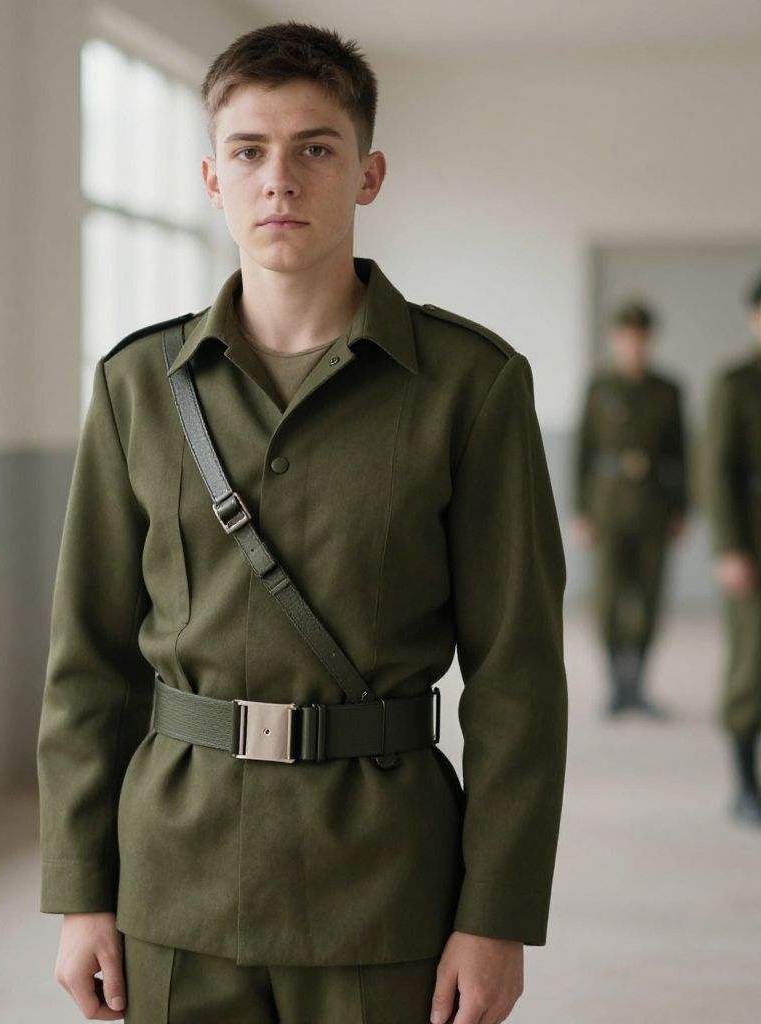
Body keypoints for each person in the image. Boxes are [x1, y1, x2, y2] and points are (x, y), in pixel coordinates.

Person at [37, 21, 568, 1024]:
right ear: (211, 177)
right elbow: (87, 662)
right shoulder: (136, 387)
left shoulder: (470, 386)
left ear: (366, 175)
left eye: (314, 148)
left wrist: (496, 913)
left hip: (382, 881)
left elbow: (518, 674)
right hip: (175, 877)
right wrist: (81, 889)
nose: (278, 179)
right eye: (248, 151)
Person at [572, 300, 687, 718]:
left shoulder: (667, 390)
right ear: (615, 339)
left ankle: (638, 685)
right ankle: (615, 686)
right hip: (608, 506)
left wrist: (681, 509)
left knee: (650, 596)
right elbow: (582, 452)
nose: (633, 345)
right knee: (606, 598)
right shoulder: (599, 388)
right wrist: (580, 511)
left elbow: (681, 454)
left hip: (654, 505)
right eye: (626, 337)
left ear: (649, 340)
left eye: (640, 337)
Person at [702, 272, 761, 827]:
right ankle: (746, 783)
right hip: (753, 543)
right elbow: (715, 472)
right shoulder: (736, 384)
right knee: (752, 664)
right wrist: (729, 548)